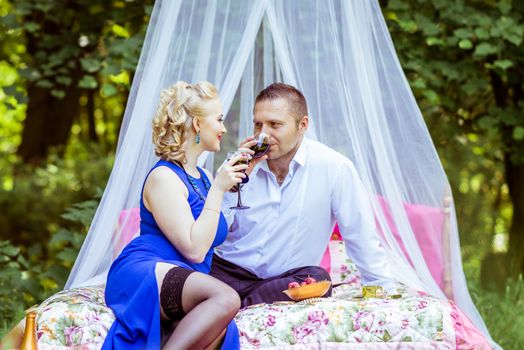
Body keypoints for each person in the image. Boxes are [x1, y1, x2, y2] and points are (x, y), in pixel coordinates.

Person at [211, 82, 395, 307]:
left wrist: (382, 292)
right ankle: (230, 303)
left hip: (282, 282)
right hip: (227, 271)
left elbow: (360, 235)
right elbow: (213, 232)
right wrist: (234, 184)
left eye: (274, 125)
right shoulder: (236, 166)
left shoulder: (334, 168)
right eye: (258, 125)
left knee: (318, 279)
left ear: (302, 125)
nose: (263, 135)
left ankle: (229, 306)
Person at [103, 81, 248, 350]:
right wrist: (218, 188)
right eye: (218, 119)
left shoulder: (204, 178)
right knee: (226, 299)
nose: (223, 128)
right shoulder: (163, 177)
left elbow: (208, 231)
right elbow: (193, 250)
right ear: (196, 124)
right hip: (146, 271)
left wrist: (224, 187)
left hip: (185, 279)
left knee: (221, 327)